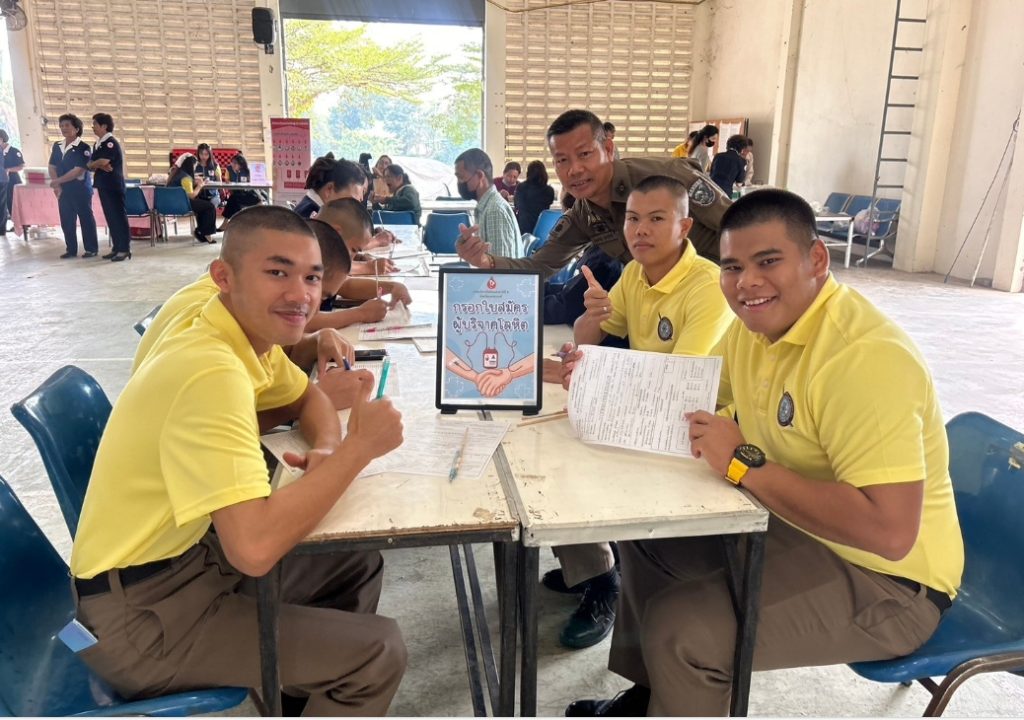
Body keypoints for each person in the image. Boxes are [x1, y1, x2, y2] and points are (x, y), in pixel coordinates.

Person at [566, 189, 964, 717]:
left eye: (768, 261)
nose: (747, 282)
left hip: (891, 585)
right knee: (647, 535)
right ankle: (657, 696)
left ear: (816, 259)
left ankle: (679, 684)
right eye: (733, 267)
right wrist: (595, 379)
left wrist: (741, 463)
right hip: (795, 527)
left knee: (683, 631)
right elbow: (690, 393)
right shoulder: (755, 329)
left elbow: (889, 533)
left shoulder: (863, 359)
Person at [72, 206, 407, 714]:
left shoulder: (242, 337)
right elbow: (253, 549)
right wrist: (358, 449)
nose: (300, 295)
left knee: (351, 563)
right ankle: (321, 681)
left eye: (311, 277)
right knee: (378, 653)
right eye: (277, 273)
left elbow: (308, 398)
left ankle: (297, 694)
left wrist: (327, 450)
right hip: (140, 618)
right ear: (223, 277)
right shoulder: (210, 370)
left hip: (191, 563)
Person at [551, 176, 732, 650]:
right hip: (652, 407)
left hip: (698, 426)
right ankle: (592, 567)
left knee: (576, 458)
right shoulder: (634, 274)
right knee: (554, 446)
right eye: (633, 218)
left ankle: (604, 581)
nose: (641, 230)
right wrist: (591, 315)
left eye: (656, 219)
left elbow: (680, 381)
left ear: (685, 227)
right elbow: (587, 343)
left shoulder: (707, 285)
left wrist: (601, 382)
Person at [456, 109, 730, 275]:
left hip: (723, 301)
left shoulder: (668, 176)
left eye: (584, 154)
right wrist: (486, 261)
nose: (574, 170)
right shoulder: (584, 214)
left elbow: (741, 226)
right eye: (562, 160)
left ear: (608, 149)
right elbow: (540, 266)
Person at [48, 113, 99, 259]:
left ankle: (91, 249)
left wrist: (58, 181)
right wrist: (57, 185)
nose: (63, 128)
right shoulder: (57, 146)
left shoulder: (83, 147)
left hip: (80, 189)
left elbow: (78, 170)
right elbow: (52, 166)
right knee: (67, 220)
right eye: (61, 125)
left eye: (67, 125)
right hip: (64, 190)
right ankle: (71, 249)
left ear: (76, 129)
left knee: (85, 219)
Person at [454, 148, 521, 259]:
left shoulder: (494, 211)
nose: (459, 183)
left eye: (461, 177)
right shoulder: (487, 206)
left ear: (480, 175)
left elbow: (501, 266)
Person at [86, 113, 132, 262]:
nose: (93, 127)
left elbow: (103, 161)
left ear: (104, 126)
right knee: (110, 218)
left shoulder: (110, 143)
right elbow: (91, 164)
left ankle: (124, 249)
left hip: (113, 186)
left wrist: (98, 164)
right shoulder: (98, 144)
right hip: (103, 185)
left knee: (118, 217)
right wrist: (98, 164)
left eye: (95, 124)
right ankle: (116, 247)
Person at [294, 154, 365, 219]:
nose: (354, 210)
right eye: (352, 202)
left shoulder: (309, 208)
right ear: (329, 190)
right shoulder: (314, 219)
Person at [167, 154, 218, 244]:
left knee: (203, 206)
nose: (195, 168)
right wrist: (200, 185)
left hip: (171, 203)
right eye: (194, 166)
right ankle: (206, 234)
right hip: (183, 204)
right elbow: (192, 195)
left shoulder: (176, 174)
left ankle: (201, 232)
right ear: (191, 166)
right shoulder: (186, 178)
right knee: (210, 207)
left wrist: (193, 182)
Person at [514, 160, 556, 234]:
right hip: (543, 230)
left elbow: (517, 205)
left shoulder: (521, 188)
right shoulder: (549, 190)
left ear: (528, 173)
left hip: (523, 230)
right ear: (544, 173)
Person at [221, 154, 263, 221]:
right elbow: (227, 181)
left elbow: (254, 184)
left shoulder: (247, 170)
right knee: (233, 200)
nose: (233, 165)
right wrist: (228, 182)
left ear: (241, 164)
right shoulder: (229, 169)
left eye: (235, 163)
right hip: (237, 194)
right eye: (232, 162)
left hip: (249, 195)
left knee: (233, 199)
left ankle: (227, 222)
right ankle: (233, 222)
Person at [709, 134, 749, 199]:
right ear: (742, 148)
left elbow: (711, 173)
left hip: (711, 190)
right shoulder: (741, 160)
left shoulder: (718, 156)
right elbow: (739, 184)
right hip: (725, 193)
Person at [1, 129, 24, 233]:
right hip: (3, 181)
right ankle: (4, 227)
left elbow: (21, 166)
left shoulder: (14, 151)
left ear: (1, 139)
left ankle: (20, 225)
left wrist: (9, 170)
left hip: (13, 180)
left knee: (13, 202)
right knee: (4, 204)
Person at [195, 143, 222, 208]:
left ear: (210, 154)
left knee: (213, 205)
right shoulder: (194, 165)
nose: (203, 156)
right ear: (198, 154)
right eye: (201, 154)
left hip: (213, 196)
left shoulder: (215, 166)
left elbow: (220, 182)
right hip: (199, 196)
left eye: (206, 154)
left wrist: (221, 191)